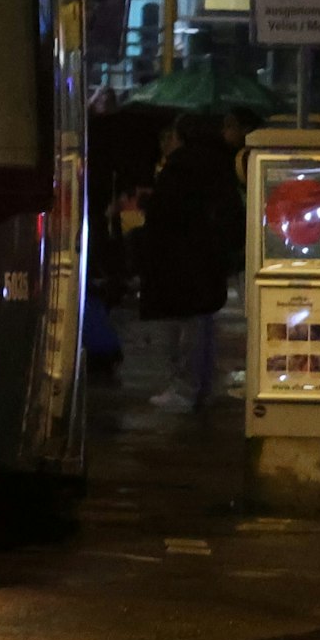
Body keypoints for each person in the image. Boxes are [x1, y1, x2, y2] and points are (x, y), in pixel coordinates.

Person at [135, 109, 240, 415]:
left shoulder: (181, 167)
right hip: (207, 257)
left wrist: (146, 202)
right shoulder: (220, 163)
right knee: (202, 322)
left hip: (182, 257)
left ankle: (184, 390)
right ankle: (201, 387)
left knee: (184, 326)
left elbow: (164, 213)